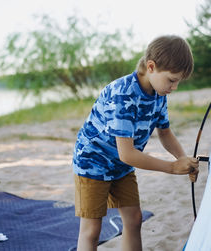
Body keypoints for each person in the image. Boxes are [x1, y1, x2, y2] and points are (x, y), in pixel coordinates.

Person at [72, 35, 199, 251]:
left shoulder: (159, 95)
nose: (174, 87)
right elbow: (128, 154)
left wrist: (182, 158)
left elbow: (165, 133)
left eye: (178, 81)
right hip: (93, 163)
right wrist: (171, 168)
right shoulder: (124, 94)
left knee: (134, 219)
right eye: (172, 79)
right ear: (151, 67)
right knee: (92, 230)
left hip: (121, 167)